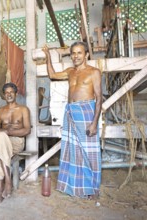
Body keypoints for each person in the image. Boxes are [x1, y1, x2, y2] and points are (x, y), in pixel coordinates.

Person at [43, 42, 102, 200]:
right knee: (72, 151)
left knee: (89, 153)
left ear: (86, 55)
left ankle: (92, 188)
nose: (75, 56)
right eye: (73, 53)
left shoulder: (94, 72)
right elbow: (52, 75)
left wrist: (95, 122)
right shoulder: (70, 72)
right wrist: (48, 56)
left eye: (79, 53)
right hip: (70, 112)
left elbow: (99, 98)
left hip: (86, 112)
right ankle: (74, 187)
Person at [0, 82, 31, 203]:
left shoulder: (23, 109)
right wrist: (4, 133)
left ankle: (0, 189)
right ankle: (7, 181)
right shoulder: (1, 110)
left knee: (0, 140)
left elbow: (27, 130)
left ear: (16, 93)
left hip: (16, 142)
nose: (9, 94)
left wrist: (7, 132)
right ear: (4, 95)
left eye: (11, 92)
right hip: (2, 142)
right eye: (6, 93)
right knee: (0, 139)